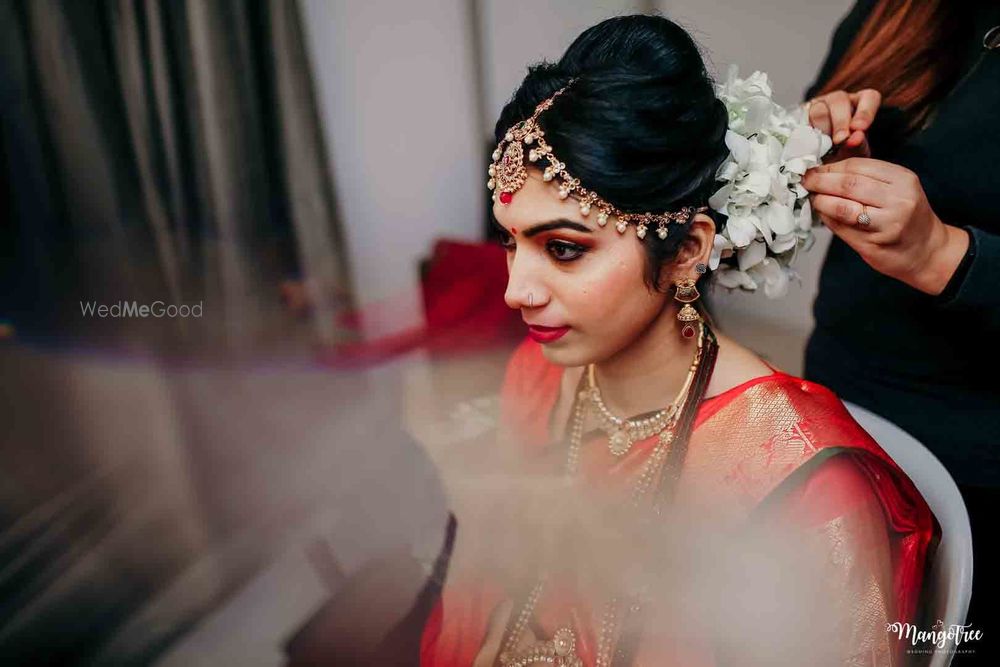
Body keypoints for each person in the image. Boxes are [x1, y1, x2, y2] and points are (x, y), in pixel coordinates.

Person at [418, 15, 937, 666]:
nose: (515, 291)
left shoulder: (798, 482)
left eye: (564, 249)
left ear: (688, 250)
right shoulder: (539, 375)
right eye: (510, 241)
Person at [801, 0, 1000, 648]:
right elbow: (816, 120)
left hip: (974, 463)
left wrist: (941, 254)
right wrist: (824, 144)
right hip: (837, 405)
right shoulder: (900, 9)